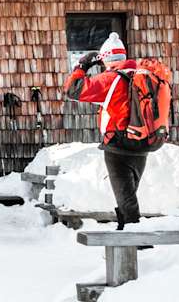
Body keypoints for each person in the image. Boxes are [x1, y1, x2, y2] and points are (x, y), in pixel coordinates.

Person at [65, 32, 150, 230]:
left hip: (118, 143)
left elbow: (73, 89)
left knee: (125, 196)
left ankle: (136, 242)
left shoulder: (110, 79)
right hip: (143, 140)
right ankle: (125, 233)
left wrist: (82, 67)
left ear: (106, 59)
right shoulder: (141, 76)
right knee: (128, 194)